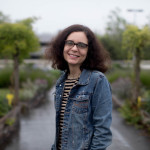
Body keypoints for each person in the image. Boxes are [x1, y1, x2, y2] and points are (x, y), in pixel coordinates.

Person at [46, 24, 112, 150]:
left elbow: (102, 132)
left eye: (81, 45)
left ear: (89, 51)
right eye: (70, 43)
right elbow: (62, 129)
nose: (74, 48)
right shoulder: (62, 81)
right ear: (62, 46)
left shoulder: (97, 81)